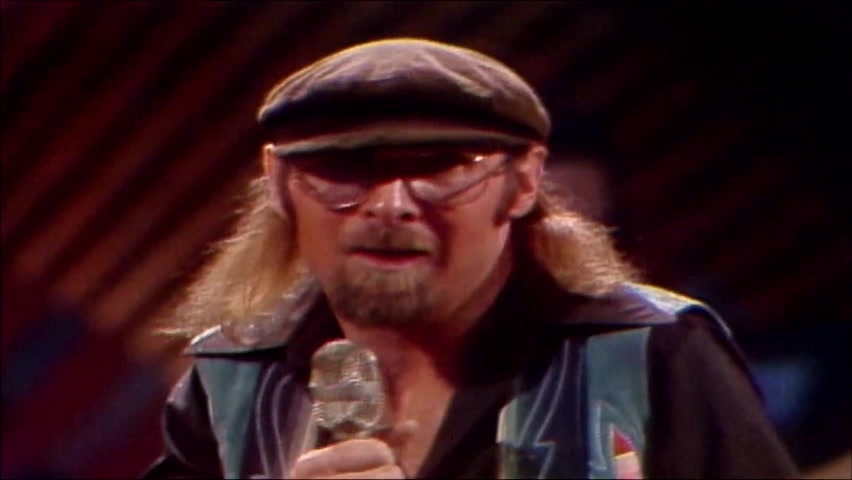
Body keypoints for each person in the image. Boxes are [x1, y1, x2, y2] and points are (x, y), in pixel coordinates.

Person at [142, 38, 797, 479]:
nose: (391, 205)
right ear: (279, 184)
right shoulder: (233, 382)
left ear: (524, 182)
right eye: (344, 169)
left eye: (440, 168)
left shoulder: (647, 354)